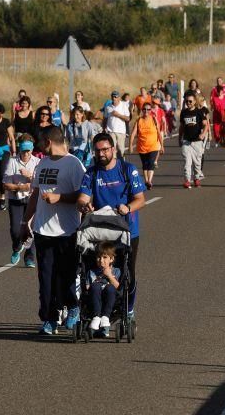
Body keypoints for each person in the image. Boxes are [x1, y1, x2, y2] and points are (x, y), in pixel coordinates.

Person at [21, 127, 86, 335]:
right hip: (42, 231)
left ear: (48, 141)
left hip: (67, 232)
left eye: (41, 143)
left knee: (66, 277)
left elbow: (83, 195)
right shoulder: (43, 163)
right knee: (46, 279)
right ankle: (49, 318)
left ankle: (73, 305)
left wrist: (60, 198)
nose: (39, 148)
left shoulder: (74, 164)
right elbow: (35, 194)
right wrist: (25, 222)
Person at [77, 133, 146, 319]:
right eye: (98, 151)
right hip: (100, 231)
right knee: (97, 270)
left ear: (113, 150)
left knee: (127, 271)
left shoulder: (127, 169)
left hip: (126, 231)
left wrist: (128, 207)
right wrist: (85, 205)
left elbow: (140, 199)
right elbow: (82, 198)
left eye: (105, 150)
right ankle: (97, 308)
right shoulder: (91, 172)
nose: (101, 154)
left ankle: (128, 308)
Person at [3, 134, 39, 267]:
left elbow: (39, 182)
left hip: (32, 200)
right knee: (15, 230)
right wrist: (21, 186)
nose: (26, 153)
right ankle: (17, 248)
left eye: (28, 150)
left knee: (32, 229)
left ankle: (29, 257)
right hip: (15, 200)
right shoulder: (12, 161)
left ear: (32, 149)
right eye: (24, 150)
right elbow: (6, 184)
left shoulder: (37, 162)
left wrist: (29, 175)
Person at [87, 241, 121, 338]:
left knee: (110, 287)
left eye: (105, 257)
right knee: (96, 286)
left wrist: (109, 275)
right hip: (95, 297)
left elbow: (118, 287)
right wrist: (95, 281)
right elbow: (87, 288)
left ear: (112, 259)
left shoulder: (116, 271)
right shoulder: (91, 272)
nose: (101, 260)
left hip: (110, 297)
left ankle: (105, 317)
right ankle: (96, 317)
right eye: (99, 257)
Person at [129, 101, 163, 189]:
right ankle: (146, 181)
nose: (146, 111)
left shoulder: (154, 119)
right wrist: (130, 146)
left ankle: (149, 181)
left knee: (151, 163)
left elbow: (159, 133)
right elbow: (133, 134)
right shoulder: (139, 120)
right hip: (142, 146)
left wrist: (162, 145)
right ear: (142, 110)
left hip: (153, 146)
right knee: (145, 164)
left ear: (151, 110)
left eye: (148, 109)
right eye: (144, 109)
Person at [178, 92, 209, 188]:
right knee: (187, 162)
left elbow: (206, 125)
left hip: (197, 142)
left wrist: (203, 134)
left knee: (197, 162)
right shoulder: (184, 112)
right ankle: (187, 180)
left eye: (190, 101)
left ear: (195, 101)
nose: (188, 103)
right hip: (187, 141)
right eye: (187, 101)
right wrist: (180, 138)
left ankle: (196, 178)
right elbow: (182, 126)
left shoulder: (199, 112)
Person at [103, 91, 130, 157]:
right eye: (113, 97)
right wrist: (104, 128)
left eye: (115, 97)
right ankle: (114, 165)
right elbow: (105, 118)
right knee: (112, 150)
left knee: (121, 150)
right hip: (111, 131)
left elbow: (127, 118)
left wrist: (118, 115)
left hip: (121, 131)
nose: (114, 98)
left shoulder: (123, 105)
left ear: (119, 98)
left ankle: (122, 164)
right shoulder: (108, 107)